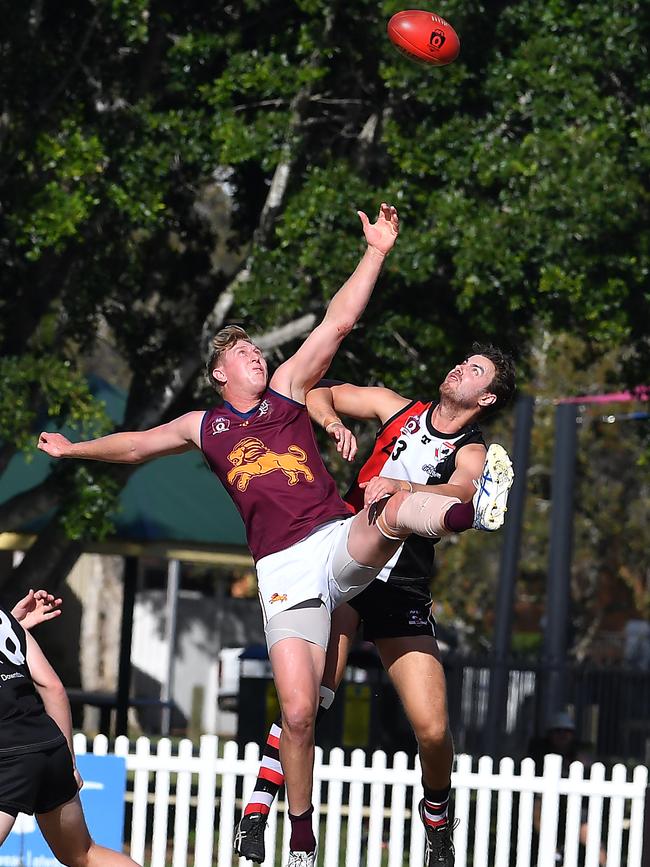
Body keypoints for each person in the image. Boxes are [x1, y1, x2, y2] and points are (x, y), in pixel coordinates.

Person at [37, 203, 513, 867]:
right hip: (283, 571)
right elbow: (138, 444)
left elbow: (338, 322)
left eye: (255, 348)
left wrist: (375, 250)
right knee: (299, 709)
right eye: (242, 352)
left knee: (390, 511)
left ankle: (462, 514)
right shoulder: (205, 424)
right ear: (219, 374)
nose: (255, 355)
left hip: (343, 542)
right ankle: (296, 837)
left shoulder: (288, 391)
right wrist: (74, 448)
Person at [234, 345, 515, 867]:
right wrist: (332, 423)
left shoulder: (473, 449)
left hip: (401, 584)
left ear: (487, 396)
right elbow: (320, 392)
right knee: (311, 697)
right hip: (343, 559)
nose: (459, 367)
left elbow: (459, 487)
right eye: (462, 360)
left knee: (433, 730)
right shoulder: (396, 407)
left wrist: (402, 484)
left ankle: (436, 821)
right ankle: (257, 810)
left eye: (475, 370)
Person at [0, 597, 140, 867]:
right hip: (48, 744)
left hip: (7, 754)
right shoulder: (6, 621)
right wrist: (69, 763)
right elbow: (53, 687)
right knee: (83, 854)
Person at [529, 711, 606, 866]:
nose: (562, 735)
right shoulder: (538, 752)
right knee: (537, 808)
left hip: (575, 808)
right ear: (550, 734)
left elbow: (591, 767)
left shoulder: (579, 753)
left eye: (567, 732)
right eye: (558, 731)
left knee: (594, 843)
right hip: (546, 806)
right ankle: (553, 851)